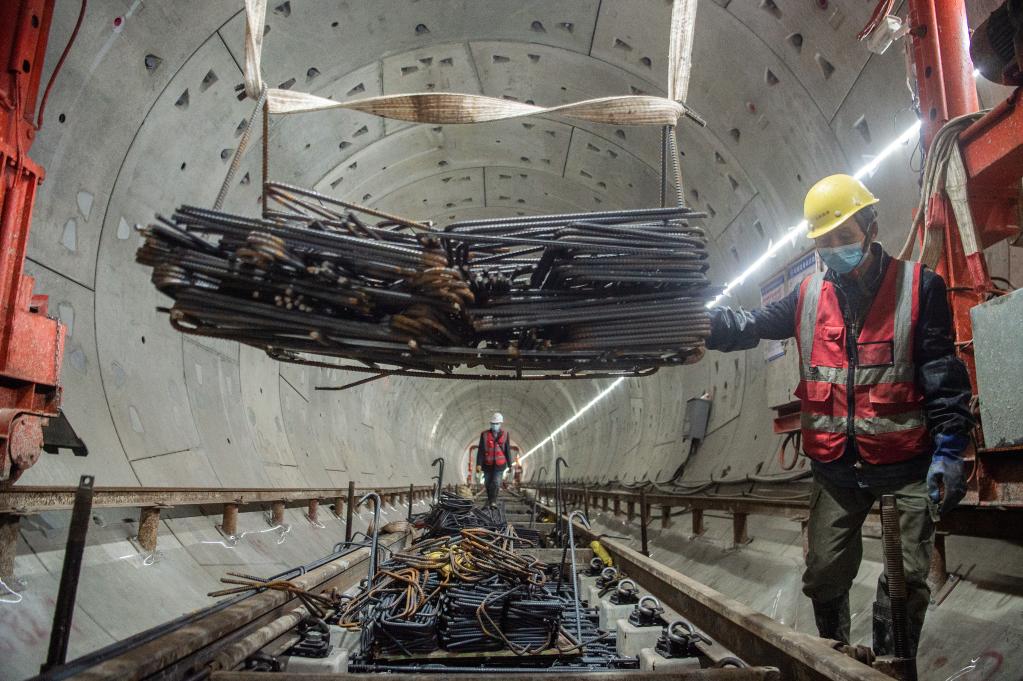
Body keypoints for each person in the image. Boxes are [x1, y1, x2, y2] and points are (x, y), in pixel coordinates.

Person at [705, 174, 973, 657]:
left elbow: (942, 375)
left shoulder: (919, 287)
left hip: (905, 465)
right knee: (823, 574)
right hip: (836, 469)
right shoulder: (808, 295)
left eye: (844, 239)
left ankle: (892, 663)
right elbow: (750, 325)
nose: (835, 250)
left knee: (906, 578)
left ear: (870, 229)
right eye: (825, 243)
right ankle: (835, 658)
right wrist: (702, 323)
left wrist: (951, 449)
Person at [476, 412, 510, 508]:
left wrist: (510, 464)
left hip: (500, 464)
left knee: (496, 482)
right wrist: (478, 464)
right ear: (490, 424)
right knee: (488, 483)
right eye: (493, 423)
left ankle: (493, 502)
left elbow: (507, 450)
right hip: (487, 464)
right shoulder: (484, 435)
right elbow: (481, 449)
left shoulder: (506, 434)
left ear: (500, 424)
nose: (495, 425)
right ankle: (490, 500)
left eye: (497, 423)